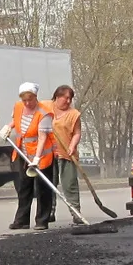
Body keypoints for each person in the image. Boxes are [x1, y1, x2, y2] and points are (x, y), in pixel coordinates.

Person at [0, 82, 55, 230]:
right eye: (24, 100)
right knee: (24, 187)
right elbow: (16, 121)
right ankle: (22, 220)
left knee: (43, 189)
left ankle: (42, 220)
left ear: (36, 97)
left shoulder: (44, 114)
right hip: (23, 154)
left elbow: (42, 137)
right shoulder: (18, 107)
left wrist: (37, 159)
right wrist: (8, 127)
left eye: (30, 99)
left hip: (42, 156)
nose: (27, 103)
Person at [49, 84, 84, 223]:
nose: (69, 101)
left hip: (67, 154)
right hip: (49, 153)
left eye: (70, 99)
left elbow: (77, 133)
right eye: (66, 98)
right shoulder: (47, 107)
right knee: (49, 184)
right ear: (57, 96)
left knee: (69, 185)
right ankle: (49, 212)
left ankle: (76, 213)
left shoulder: (74, 114)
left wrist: (72, 145)